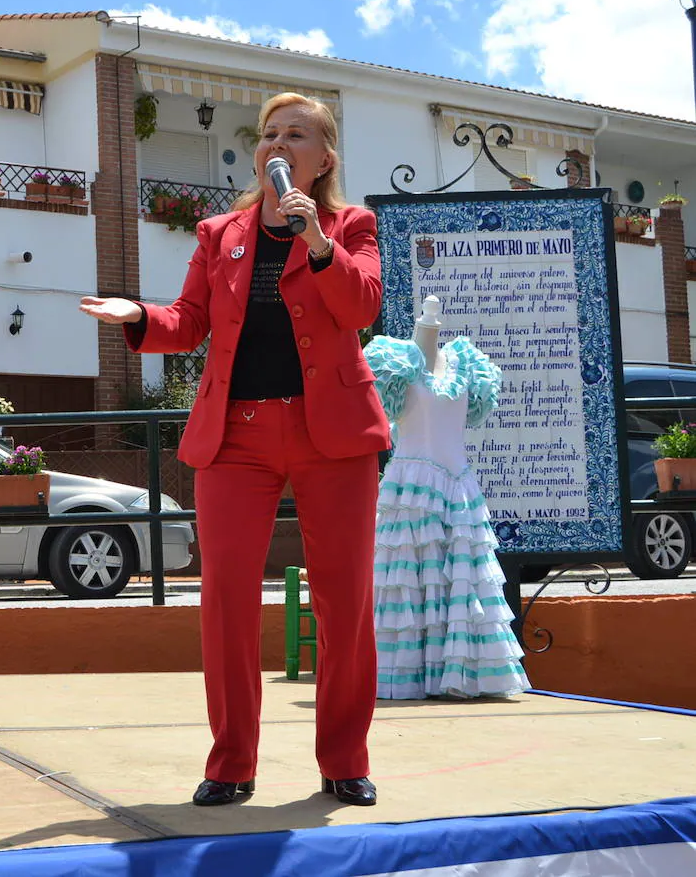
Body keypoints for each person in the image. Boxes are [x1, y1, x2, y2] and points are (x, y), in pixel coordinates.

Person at [80, 91, 389, 807]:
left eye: (295, 135)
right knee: (223, 600)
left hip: (332, 435)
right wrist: (140, 315)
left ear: (323, 159)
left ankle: (345, 757)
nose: (277, 144)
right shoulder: (220, 233)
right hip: (236, 437)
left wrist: (318, 244)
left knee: (344, 602)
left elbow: (362, 306)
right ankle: (231, 763)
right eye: (269, 134)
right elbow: (188, 322)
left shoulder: (352, 225)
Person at [365, 297, 530, 700]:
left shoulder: (467, 364)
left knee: (460, 582)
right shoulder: (394, 362)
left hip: (458, 486)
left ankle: (463, 673)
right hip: (412, 486)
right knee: (411, 582)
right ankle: (409, 675)